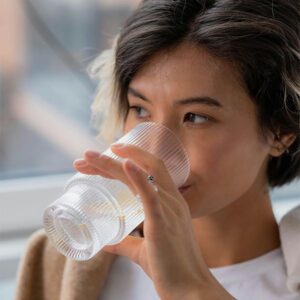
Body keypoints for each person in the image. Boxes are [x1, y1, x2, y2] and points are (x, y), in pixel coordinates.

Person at [15, 0, 300, 299]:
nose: (152, 148)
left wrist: (190, 290)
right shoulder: (60, 264)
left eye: (196, 117)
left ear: (282, 131)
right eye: (139, 110)